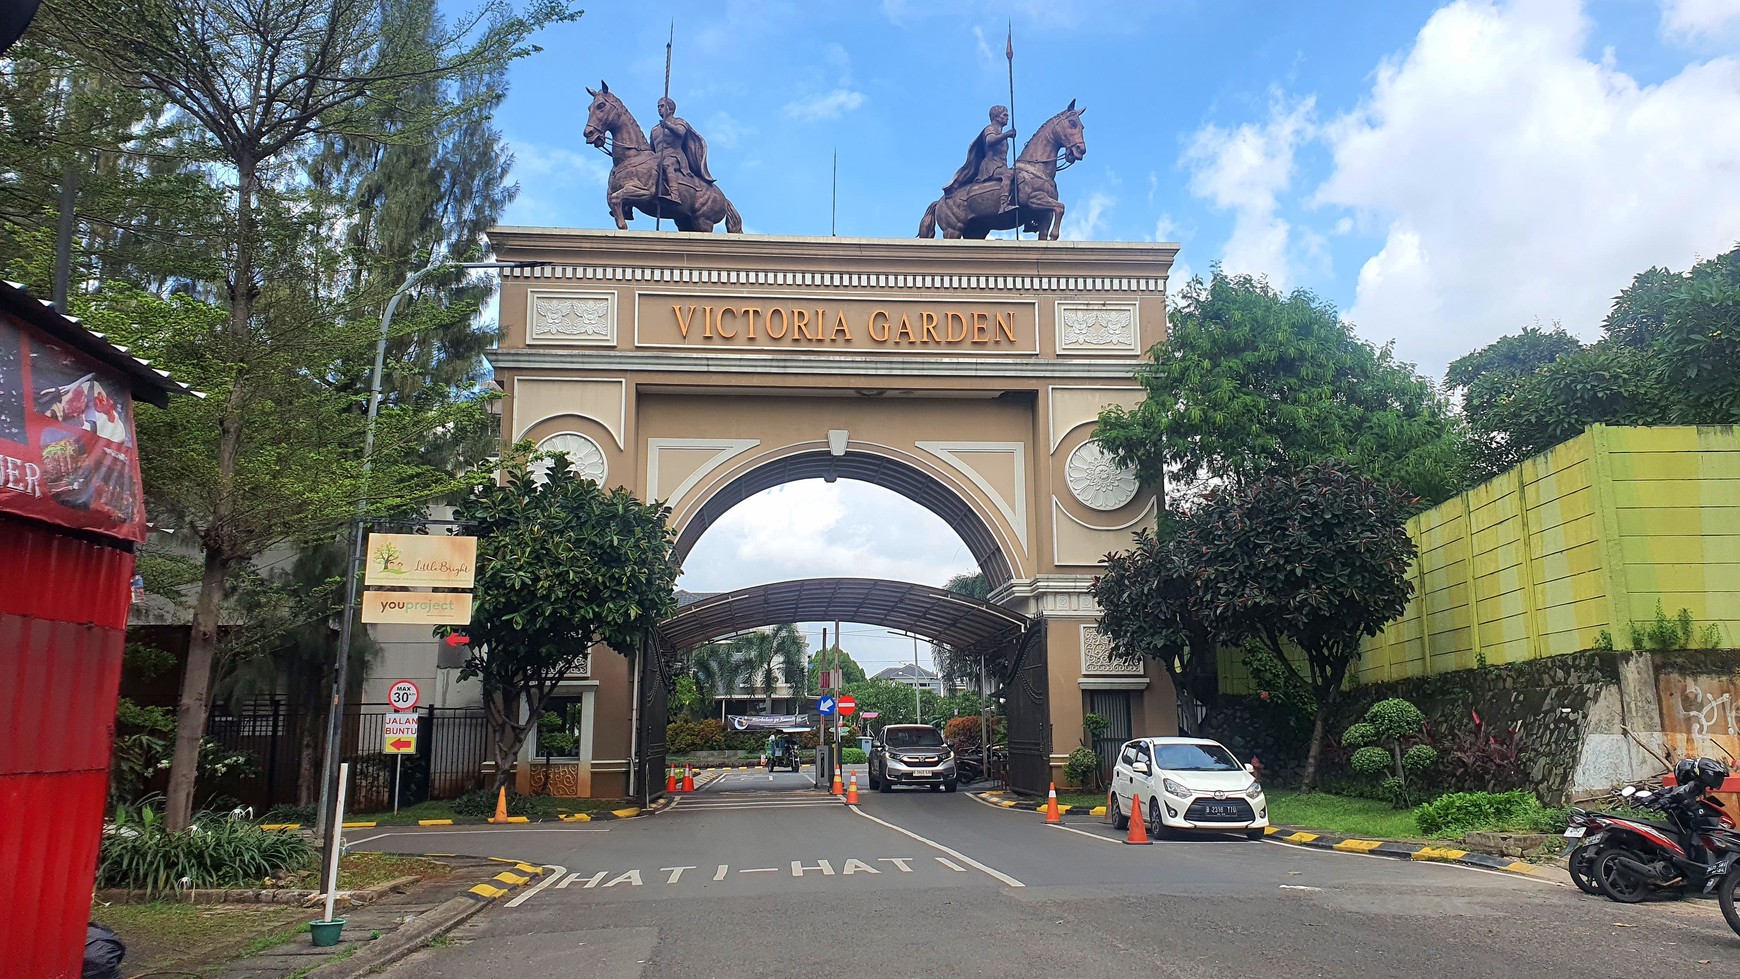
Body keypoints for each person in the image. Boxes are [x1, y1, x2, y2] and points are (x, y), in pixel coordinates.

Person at [650, 96, 715, 206]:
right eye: (658, 107)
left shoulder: (678, 121)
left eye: (662, 106)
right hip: (658, 158)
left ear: (670, 108)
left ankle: (675, 195)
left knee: (667, 165)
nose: (659, 109)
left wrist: (668, 126)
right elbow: (651, 148)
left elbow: (680, 132)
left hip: (674, 156)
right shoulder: (655, 129)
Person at [943, 105, 1016, 197]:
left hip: (1001, 166)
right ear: (996, 117)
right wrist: (1007, 134)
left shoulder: (1001, 135)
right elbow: (990, 141)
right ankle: (1004, 203)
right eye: (1004, 115)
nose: (1007, 118)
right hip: (991, 166)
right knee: (1008, 175)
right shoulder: (990, 129)